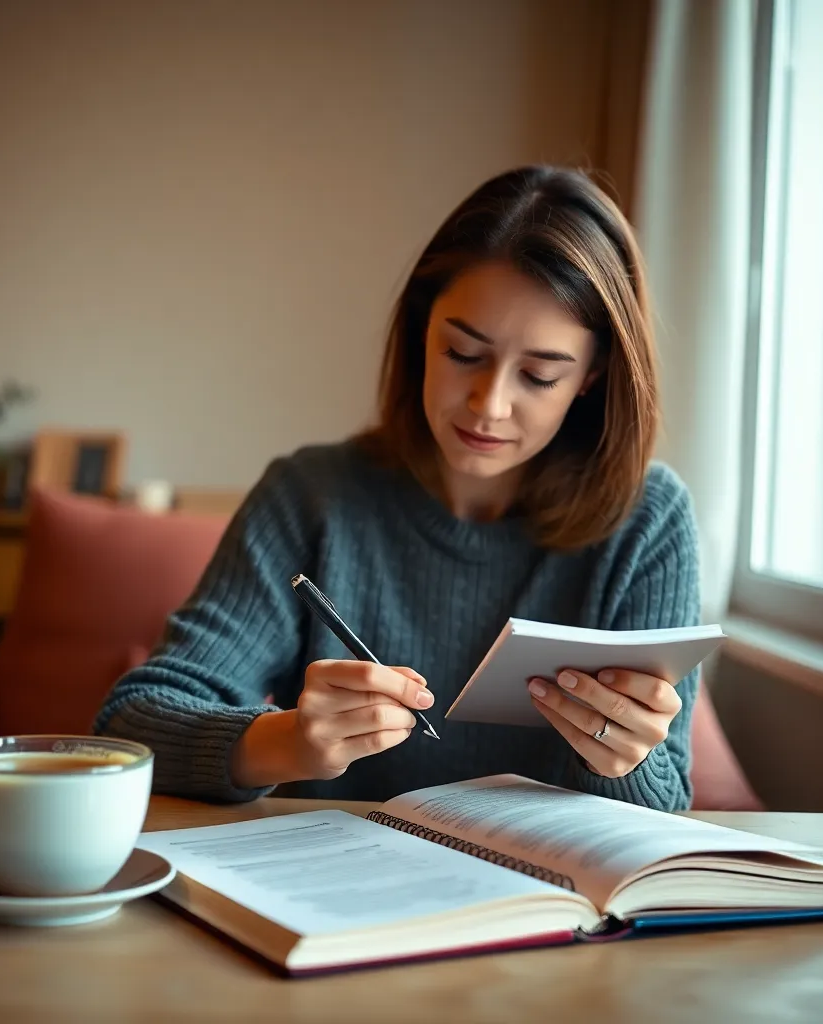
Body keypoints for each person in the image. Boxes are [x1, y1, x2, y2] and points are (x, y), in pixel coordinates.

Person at [94, 165, 701, 811]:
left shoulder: (647, 520)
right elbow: (131, 725)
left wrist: (627, 758)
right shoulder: (312, 497)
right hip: (335, 897)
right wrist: (288, 743)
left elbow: (665, 805)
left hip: (548, 902)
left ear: (592, 375)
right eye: (463, 354)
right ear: (420, 334)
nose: (488, 405)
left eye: (539, 375)